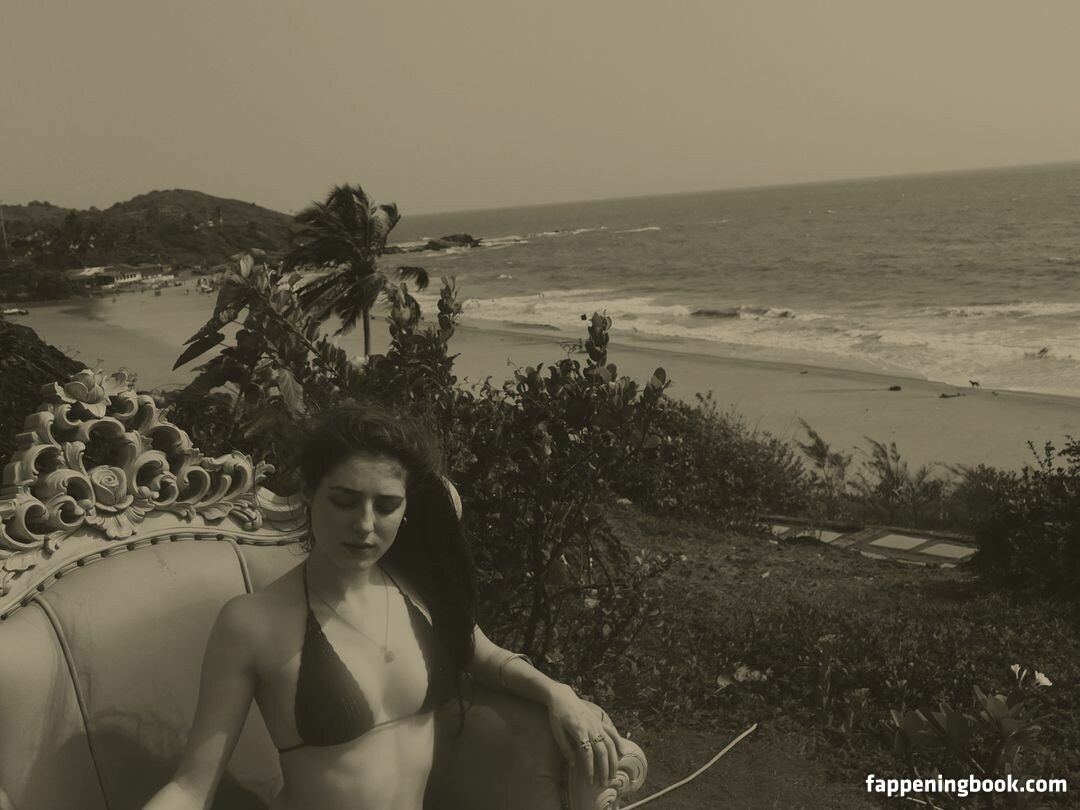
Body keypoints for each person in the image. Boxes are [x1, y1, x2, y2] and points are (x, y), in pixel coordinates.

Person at [144, 403, 626, 810]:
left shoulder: (416, 586)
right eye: (344, 501)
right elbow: (190, 788)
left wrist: (558, 694)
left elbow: (481, 655)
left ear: (406, 508)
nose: (364, 524)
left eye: (386, 505)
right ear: (309, 495)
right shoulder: (253, 623)